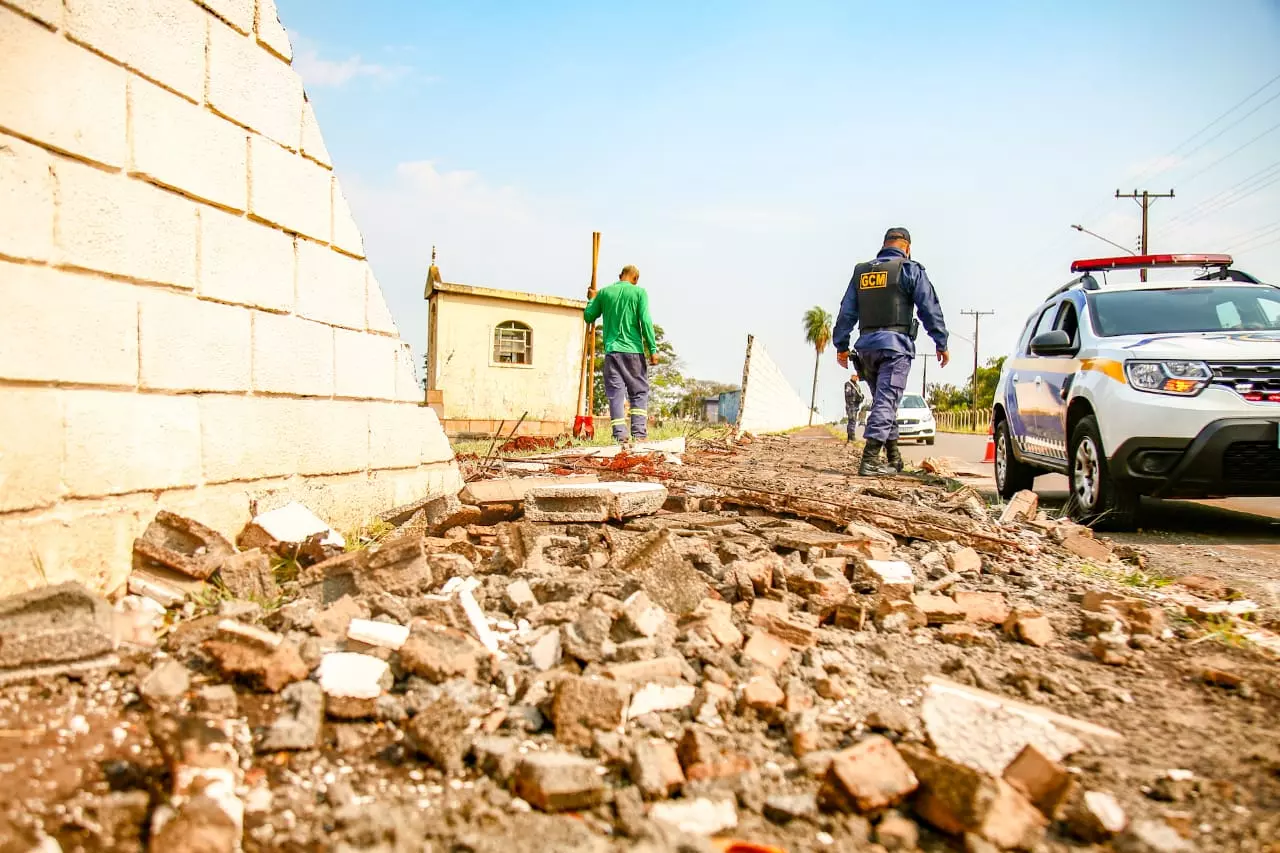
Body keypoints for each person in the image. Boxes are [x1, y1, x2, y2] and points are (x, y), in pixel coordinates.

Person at [833, 227, 950, 476]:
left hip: (865, 349)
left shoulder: (862, 272)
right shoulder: (909, 269)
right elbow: (929, 308)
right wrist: (941, 341)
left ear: (884, 244)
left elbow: (847, 312)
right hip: (895, 348)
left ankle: (894, 457)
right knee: (886, 402)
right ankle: (870, 460)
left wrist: (841, 345)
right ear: (906, 248)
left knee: (884, 403)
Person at [584, 265, 658, 442]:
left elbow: (588, 316)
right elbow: (646, 321)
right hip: (634, 352)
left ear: (620, 276)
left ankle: (620, 436)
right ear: (635, 279)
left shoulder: (604, 293)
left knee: (615, 394)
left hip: (612, 353)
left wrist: (592, 300)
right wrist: (653, 349)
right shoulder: (639, 292)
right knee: (639, 392)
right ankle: (639, 435)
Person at [843, 372, 866, 442]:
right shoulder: (848, 384)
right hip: (850, 405)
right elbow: (848, 394)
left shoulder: (857, 386)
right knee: (852, 420)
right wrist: (856, 397)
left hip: (856, 406)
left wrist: (861, 397)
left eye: (857, 377)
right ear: (852, 376)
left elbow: (859, 395)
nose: (856, 378)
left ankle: (850, 436)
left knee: (853, 421)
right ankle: (851, 436)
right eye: (855, 376)